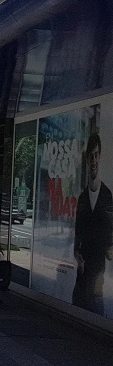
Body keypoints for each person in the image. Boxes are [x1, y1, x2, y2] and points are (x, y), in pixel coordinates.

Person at [72, 133, 113, 314]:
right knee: (80, 302)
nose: (94, 160)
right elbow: (78, 229)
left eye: (97, 155)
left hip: (98, 268)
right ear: (87, 160)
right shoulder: (82, 197)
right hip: (82, 269)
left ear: (100, 157)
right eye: (91, 156)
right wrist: (76, 251)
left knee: (96, 304)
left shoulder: (107, 195)